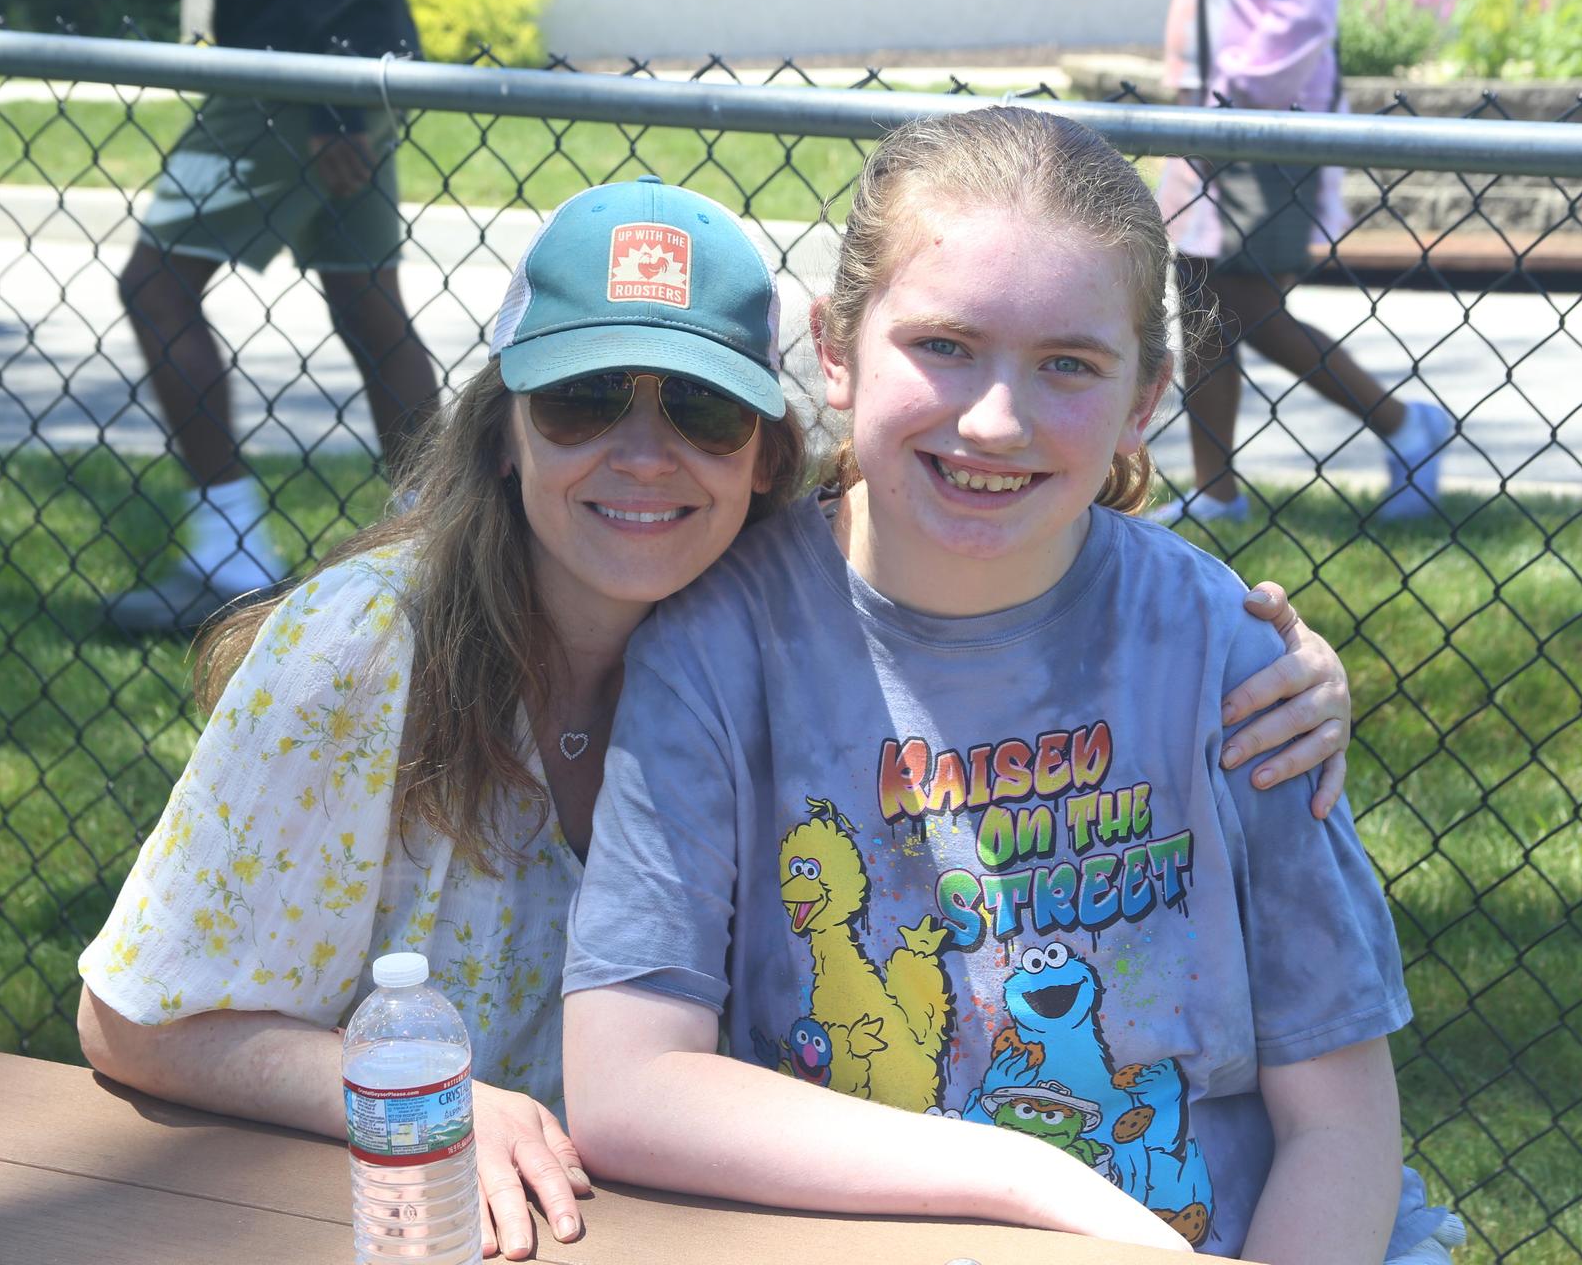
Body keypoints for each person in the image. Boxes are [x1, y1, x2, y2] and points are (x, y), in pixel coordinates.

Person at [77, 175, 1359, 1261]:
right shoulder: (365, 652)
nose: (643, 455)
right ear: (505, 428)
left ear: (765, 446)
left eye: (697, 409)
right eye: (583, 401)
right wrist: (428, 1090)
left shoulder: (742, 624)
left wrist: (1275, 665)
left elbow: (993, 532)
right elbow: (132, 1017)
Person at [560, 107, 1462, 1261]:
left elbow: (1338, 1120)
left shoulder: (1228, 658)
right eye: (945, 345)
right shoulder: (719, 645)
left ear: (1145, 399)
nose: (996, 418)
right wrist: (1030, 1178)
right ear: (835, 351)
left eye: (1069, 365)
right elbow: (632, 1082)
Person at [105, 0, 440, 633]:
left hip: (299, 64)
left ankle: (229, 555)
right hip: (349, 60)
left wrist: (328, 107)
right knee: (364, 298)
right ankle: (443, 545)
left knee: (155, 286)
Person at [1148, 0, 1455, 529]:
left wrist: (1235, 89)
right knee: (1200, 306)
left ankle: (1407, 427)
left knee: (1248, 303)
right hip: (1214, 119)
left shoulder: (1249, 97)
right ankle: (1215, 491)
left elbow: (1305, 12)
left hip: (1265, 123)